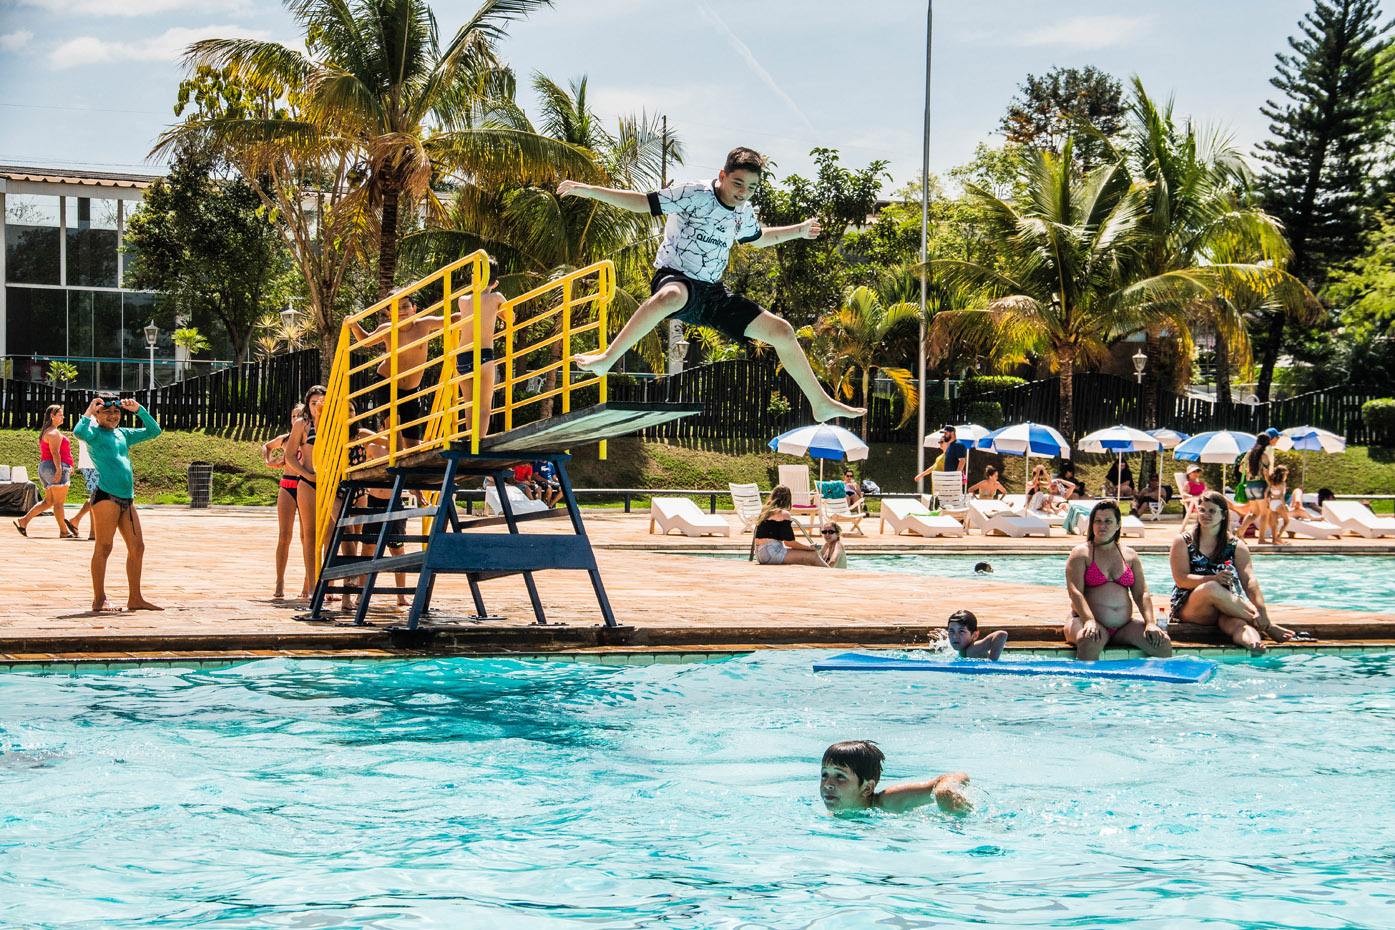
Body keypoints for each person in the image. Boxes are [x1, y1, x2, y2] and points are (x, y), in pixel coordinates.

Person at [558, 147, 863, 422]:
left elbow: (758, 239)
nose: (743, 193)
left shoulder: (743, 212)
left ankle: (820, 403)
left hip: (713, 294)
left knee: (782, 331)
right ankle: (607, 359)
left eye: (751, 188)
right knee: (670, 297)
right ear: (722, 175)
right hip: (677, 277)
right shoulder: (695, 193)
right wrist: (590, 191)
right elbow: (643, 203)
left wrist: (800, 230)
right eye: (738, 183)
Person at [1169, 490, 1299, 654]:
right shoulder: (1184, 541)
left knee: (1240, 626)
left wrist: (1262, 610)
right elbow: (1181, 579)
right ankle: (1268, 627)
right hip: (1192, 607)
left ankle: (1254, 644)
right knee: (1211, 587)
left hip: (1226, 605)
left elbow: (1249, 581)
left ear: (1223, 515)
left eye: (1212, 511)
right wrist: (1214, 578)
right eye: (1202, 510)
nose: (1205, 515)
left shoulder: (1236, 545)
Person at [73, 393, 163, 612]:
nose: (113, 416)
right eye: (107, 412)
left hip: (127, 498)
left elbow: (154, 431)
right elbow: (78, 432)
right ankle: (99, 599)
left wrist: (139, 410)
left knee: (138, 547)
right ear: (97, 415)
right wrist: (89, 410)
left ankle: (135, 598)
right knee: (104, 546)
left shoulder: (123, 434)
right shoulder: (94, 434)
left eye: (116, 412)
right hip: (106, 497)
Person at [348, 289, 456, 449]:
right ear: (388, 314)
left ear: (414, 309)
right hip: (386, 380)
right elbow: (366, 340)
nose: (401, 311)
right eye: (396, 309)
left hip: (410, 390)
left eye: (405, 306)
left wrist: (472, 310)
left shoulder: (424, 324)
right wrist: (354, 325)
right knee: (393, 421)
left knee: (411, 440)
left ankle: (411, 455)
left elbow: (451, 319)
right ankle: (396, 458)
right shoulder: (387, 329)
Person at [1064, 500, 1170, 661]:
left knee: (1162, 643)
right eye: (1097, 521)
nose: (1102, 525)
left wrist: (1150, 623)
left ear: (1118, 525)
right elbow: (1075, 592)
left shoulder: (1129, 555)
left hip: (1123, 627)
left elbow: (1141, 593)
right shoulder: (1082, 553)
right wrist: (1089, 621)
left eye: (1108, 521)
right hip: (1085, 621)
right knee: (1088, 640)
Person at [820, 741, 971, 815]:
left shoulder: (889, 802)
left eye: (840, 776)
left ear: (867, 788)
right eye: (824, 775)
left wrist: (945, 791)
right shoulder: (833, 816)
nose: (828, 784)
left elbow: (959, 776)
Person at [453, 255, 507, 439]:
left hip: (462, 357)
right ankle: (479, 441)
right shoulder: (496, 297)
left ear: (473, 278)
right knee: (484, 406)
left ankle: (471, 441)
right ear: (495, 283)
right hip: (483, 355)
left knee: (470, 406)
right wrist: (498, 311)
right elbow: (511, 318)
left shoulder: (462, 300)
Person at [282, 385, 325, 596]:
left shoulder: (336, 422)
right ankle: (312, 586)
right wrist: (306, 474)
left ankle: (329, 585)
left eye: (321, 401)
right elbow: (289, 455)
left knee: (331, 535)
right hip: (309, 481)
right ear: (308, 404)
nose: (318, 405)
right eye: (313, 402)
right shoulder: (302, 424)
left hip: (331, 483)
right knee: (310, 535)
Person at [13, 404, 79, 539]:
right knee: (59, 503)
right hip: (54, 467)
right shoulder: (53, 433)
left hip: (46, 467)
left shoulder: (47, 431)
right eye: (60, 415)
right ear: (52, 416)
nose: (63, 417)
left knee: (48, 502)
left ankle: (24, 520)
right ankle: (64, 531)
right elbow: (55, 453)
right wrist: (59, 469)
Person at [263, 404, 307, 599]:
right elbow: (267, 446)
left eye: (300, 416)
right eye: (293, 416)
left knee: (307, 537)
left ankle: (308, 583)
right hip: (288, 485)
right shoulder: (285, 439)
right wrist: (269, 461)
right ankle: (279, 581)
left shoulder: (310, 438)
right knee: (284, 535)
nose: (296, 419)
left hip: (306, 485)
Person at [751, 485, 828, 566]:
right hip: (772, 552)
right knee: (813, 555)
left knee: (804, 560)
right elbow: (789, 542)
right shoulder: (784, 514)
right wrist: (808, 547)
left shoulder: (764, 512)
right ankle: (830, 572)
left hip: (760, 554)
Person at [1235, 433, 1274, 538]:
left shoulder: (1249, 454)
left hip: (1249, 485)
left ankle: (1241, 533)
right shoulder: (1264, 456)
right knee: (1265, 513)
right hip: (1260, 485)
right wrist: (1270, 485)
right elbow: (1266, 473)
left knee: (1254, 513)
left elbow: (1240, 469)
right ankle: (1261, 538)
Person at [68, 438, 100, 540]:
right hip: (94, 464)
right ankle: (93, 532)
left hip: (92, 464)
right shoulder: (94, 427)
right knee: (96, 497)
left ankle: (76, 520)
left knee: (97, 497)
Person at [1263, 465, 1292, 546]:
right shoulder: (1282, 484)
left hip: (1272, 503)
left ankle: (1274, 540)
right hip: (1279, 503)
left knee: (1274, 523)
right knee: (1286, 521)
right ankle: (1278, 537)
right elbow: (1281, 495)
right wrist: (1284, 505)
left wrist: (1267, 503)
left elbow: (1266, 493)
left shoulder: (1271, 482)